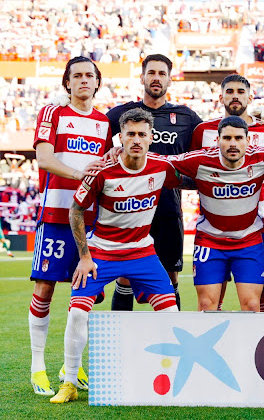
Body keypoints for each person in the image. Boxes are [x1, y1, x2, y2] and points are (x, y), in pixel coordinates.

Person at [50, 108, 180, 404]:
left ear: (151, 138)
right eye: (130, 134)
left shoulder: (162, 167)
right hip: (102, 252)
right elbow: (76, 210)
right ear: (120, 137)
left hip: (143, 252)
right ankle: (69, 380)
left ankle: (168, 377)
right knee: (78, 313)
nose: (136, 139)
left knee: (171, 316)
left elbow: (192, 172)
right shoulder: (102, 171)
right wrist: (84, 257)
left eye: (142, 134)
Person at [29, 56, 111, 396]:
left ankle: (70, 366)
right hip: (55, 214)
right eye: (76, 75)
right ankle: (38, 368)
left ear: (96, 82)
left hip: (91, 219)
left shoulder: (104, 123)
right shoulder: (53, 113)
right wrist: (81, 176)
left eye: (88, 76)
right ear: (67, 82)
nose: (82, 81)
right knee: (45, 288)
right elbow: (45, 159)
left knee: (86, 296)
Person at [107, 54, 202, 311]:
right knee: (125, 276)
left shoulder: (187, 118)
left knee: (171, 279)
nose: (156, 78)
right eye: (152, 73)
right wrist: (111, 152)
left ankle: (171, 343)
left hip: (168, 210)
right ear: (142, 77)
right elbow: (96, 133)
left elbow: (207, 155)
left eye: (162, 73)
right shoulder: (122, 114)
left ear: (170, 79)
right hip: (131, 211)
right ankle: (120, 345)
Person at [169, 116, 264, 312]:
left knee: (251, 305)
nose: (233, 143)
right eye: (227, 138)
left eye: (239, 138)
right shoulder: (200, 160)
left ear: (248, 141)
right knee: (207, 305)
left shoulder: (262, 157)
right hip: (210, 241)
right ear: (217, 140)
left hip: (249, 241)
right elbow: (163, 162)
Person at [190, 74, 264, 312]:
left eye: (240, 92)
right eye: (229, 92)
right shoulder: (203, 131)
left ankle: (261, 345)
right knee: (211, 297)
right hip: (213, 221)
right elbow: (193, 170)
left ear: (250, 97)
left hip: (255, 222)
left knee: (259, 296)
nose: (235, 96)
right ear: (220, 97)